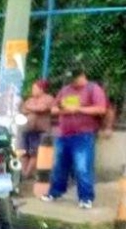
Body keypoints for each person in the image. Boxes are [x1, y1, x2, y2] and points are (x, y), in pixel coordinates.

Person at [42, 68, 109, 209]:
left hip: (83, 135)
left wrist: (78, 109)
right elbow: (53, 109)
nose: (72, 82)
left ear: (82, 76)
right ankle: (55, 192)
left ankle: (86, 198)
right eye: (70, 80)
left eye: (74, 79)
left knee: (82, 167)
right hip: (63, 134)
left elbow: (101, 109)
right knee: (59, 166)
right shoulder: (65, 90)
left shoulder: (93, 89)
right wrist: (63, 109)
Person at [19, 79, 55, 179]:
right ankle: (24, 172)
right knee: (24, 152)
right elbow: (23, 109)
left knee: (35, 153)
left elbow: (42, 108)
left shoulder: (48, 98)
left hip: (41, 131)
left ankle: (27, 174)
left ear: (41, 89)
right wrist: (34, 108)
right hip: (27, 129)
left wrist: (30, 108)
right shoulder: (30, 99)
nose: (32, 90)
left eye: (35, 88)